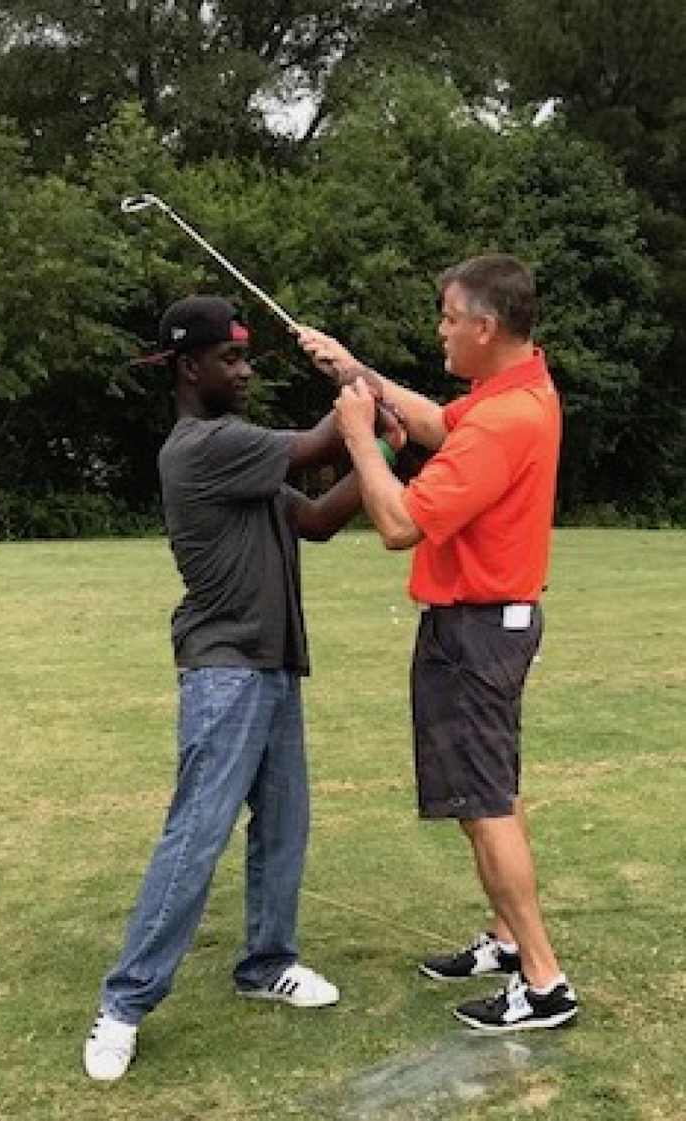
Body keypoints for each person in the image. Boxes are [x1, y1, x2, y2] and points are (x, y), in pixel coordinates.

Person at [83, 295, 402, 1081]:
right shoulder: (204, 447)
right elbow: (327, 438)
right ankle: (123, 1003)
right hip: (224, 669)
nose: (247, 371)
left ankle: (266, 963)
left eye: (248, 357)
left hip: (273, 663)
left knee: (284, 824)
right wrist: (359, 384)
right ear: (190, 368)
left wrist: (379, 455)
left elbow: (321, 518)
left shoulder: (245, 459)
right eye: (231, 360)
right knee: (196, 834)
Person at [298, 254, 578, 1032]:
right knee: (488, 795)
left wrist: (357, 432)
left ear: (485, 327)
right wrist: (359, 372)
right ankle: (506, 938)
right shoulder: (515, 391)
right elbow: (435, 420)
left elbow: (397, 523)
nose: (441, 330)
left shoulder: (503, 421)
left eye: (449, 318)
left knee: (486, 804)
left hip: (476, 632)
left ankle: (544, 979)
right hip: (489, 626)